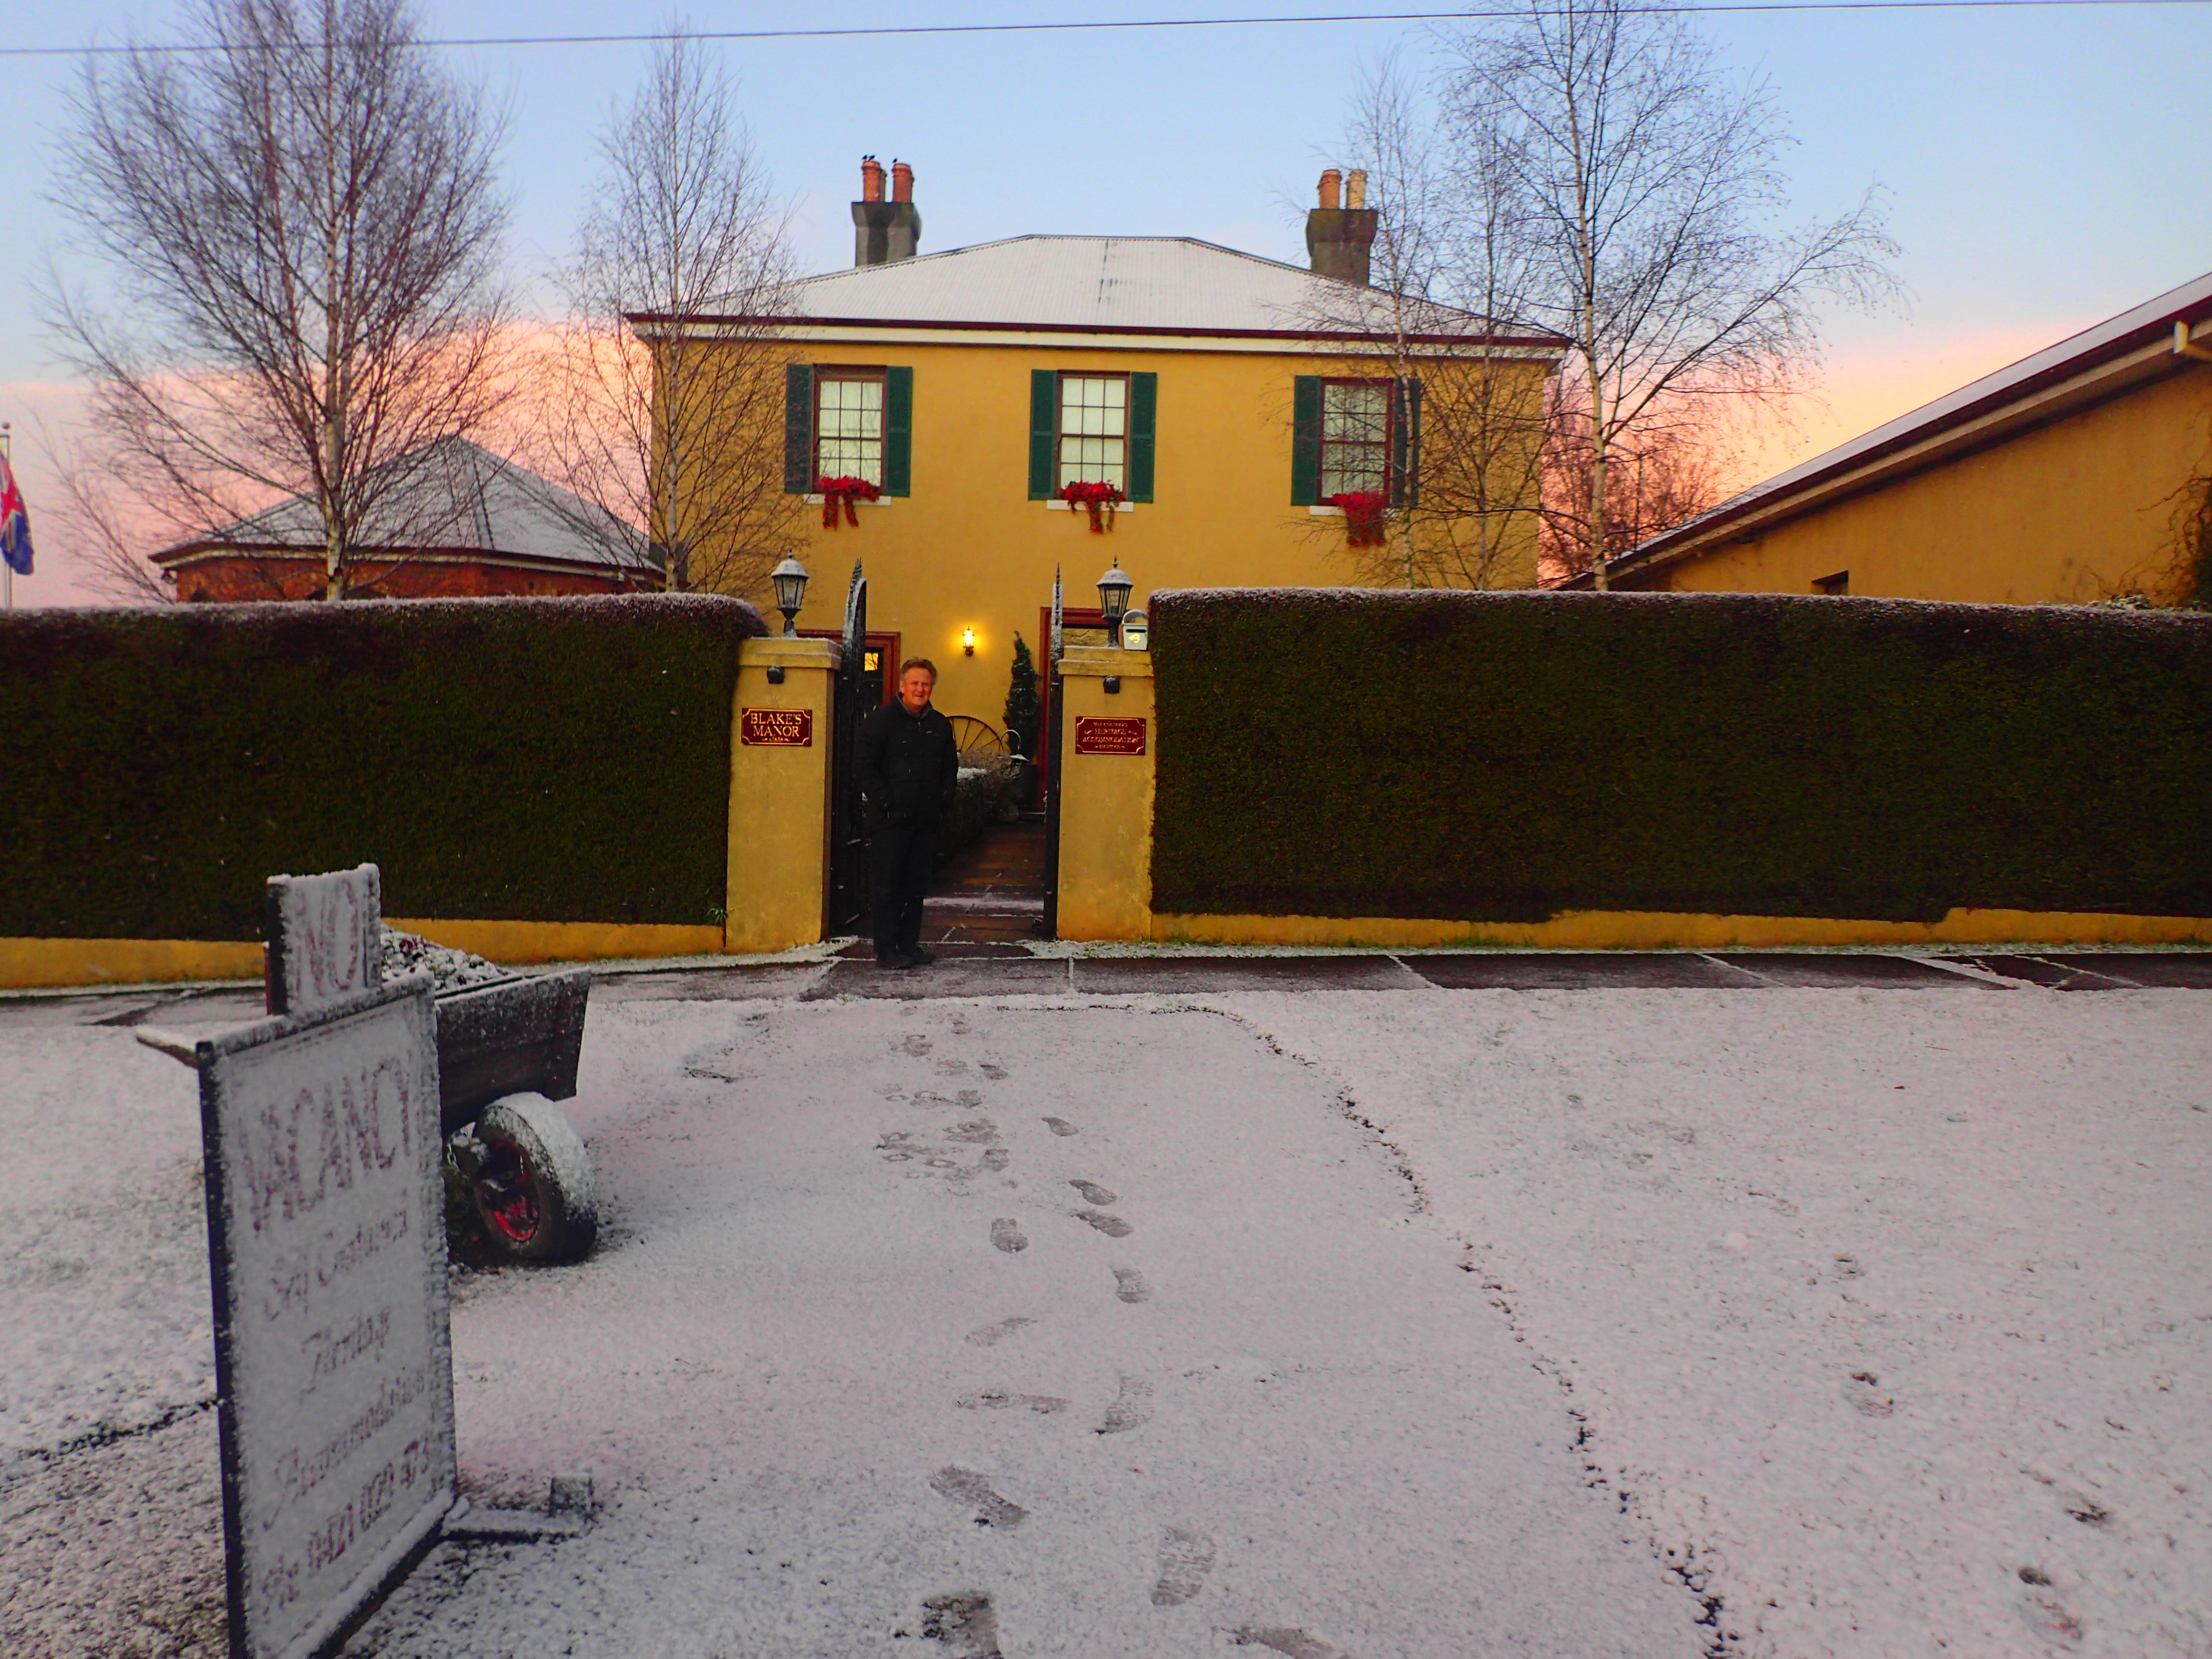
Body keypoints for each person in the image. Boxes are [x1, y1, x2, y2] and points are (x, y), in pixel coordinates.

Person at [854, 657, 960, 967]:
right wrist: (886, 801)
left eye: (926, 684)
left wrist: (943, 799)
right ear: (902, 686)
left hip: (924, 822)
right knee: (887, 888)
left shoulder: (939, 724)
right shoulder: (881, 721)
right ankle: (887, 951)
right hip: (890, 822)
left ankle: (909, 946)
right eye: (914, 683)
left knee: (915, 889)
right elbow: (863, 765)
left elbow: (949, 767)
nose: (920, 689)